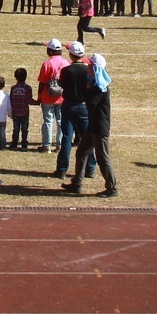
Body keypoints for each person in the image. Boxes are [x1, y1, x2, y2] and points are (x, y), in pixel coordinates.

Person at [62, 52, 118, 197]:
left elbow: (91, 105)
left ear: (95, 69)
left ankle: (112, 188)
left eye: (90, 66)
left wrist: (86, 89)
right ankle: (77, 184)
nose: (87, 68)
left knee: (102, 157)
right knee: (82, 152)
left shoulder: (100, 88)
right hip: (93, 126)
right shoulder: (95, 84)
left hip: (99, 128)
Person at [56, 41, 95, 180]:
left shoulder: (66, 70)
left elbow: (62, 86)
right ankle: (90, 168)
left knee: (67, 137)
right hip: (84, 106)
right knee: (88, 139)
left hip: (69, 105)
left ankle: (62, 169)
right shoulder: (88, 70)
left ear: (71, 55)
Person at [37, 39, 67, 153]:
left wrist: (39, 96)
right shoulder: (66, 63)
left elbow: (42, 82)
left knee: (48, 121)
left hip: (47, 97)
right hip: (62, 97)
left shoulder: (47, 64)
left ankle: (46, 145)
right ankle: (59, 145)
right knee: (60, 121)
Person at [8, 67, 34, 151]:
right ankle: (24, 145)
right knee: (24, 129)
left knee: (16, 129)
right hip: (24, 112)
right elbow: (29, 100)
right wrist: (38, 102)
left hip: (15, 111)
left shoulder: (13, 88)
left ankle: (14, 144)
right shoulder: (28, 88)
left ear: (15, 77)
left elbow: (11, 100)